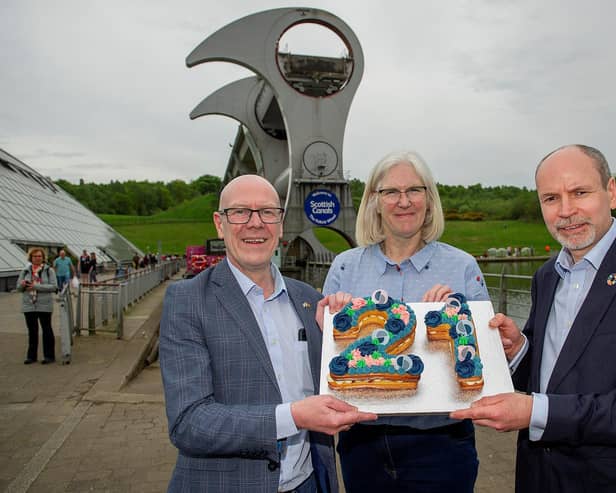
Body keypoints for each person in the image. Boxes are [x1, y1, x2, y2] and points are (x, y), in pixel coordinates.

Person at [159, 174, 377, 493]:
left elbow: (344, 384)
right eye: (240, 212)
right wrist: (293, 417)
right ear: (220, 224)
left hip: (309, 482)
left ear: (281, 222)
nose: (255, 223)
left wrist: (340, 335)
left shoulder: (309, 301)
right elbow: (189, 423)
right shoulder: (187, 301)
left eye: (267, 212)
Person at [450, 145, 616, 493]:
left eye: (580, 193)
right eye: (551, 198)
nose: (567, 211)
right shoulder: (546, 276)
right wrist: (520, 349)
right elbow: (557, 372)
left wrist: (535, 413)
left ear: (611, 192)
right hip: (537, 475)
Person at [322, 150, 489, 493]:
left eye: (414, 190)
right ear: (374, 201)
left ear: (429, 199)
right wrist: (328, 321)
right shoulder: (345, 267)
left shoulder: (462, 267)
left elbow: (487, 352)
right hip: (363, 444)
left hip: (442, 443)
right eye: (391, 192)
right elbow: (330, 352)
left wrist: (454, 317)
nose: (404, 201)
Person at [17, 247, 58, 364]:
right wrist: (23, 284)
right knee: (32, 331)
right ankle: (31, 356)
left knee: (47, 330)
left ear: (43, 258)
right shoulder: (25, 271)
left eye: (40, 256)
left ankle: (49, 356)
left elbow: (54, 287)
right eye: (35, 256)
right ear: (31, 258)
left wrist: (36, 286)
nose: (37, 258)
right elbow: (18, 288)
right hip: (29, 305)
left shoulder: (49, 270)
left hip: (44, 305)